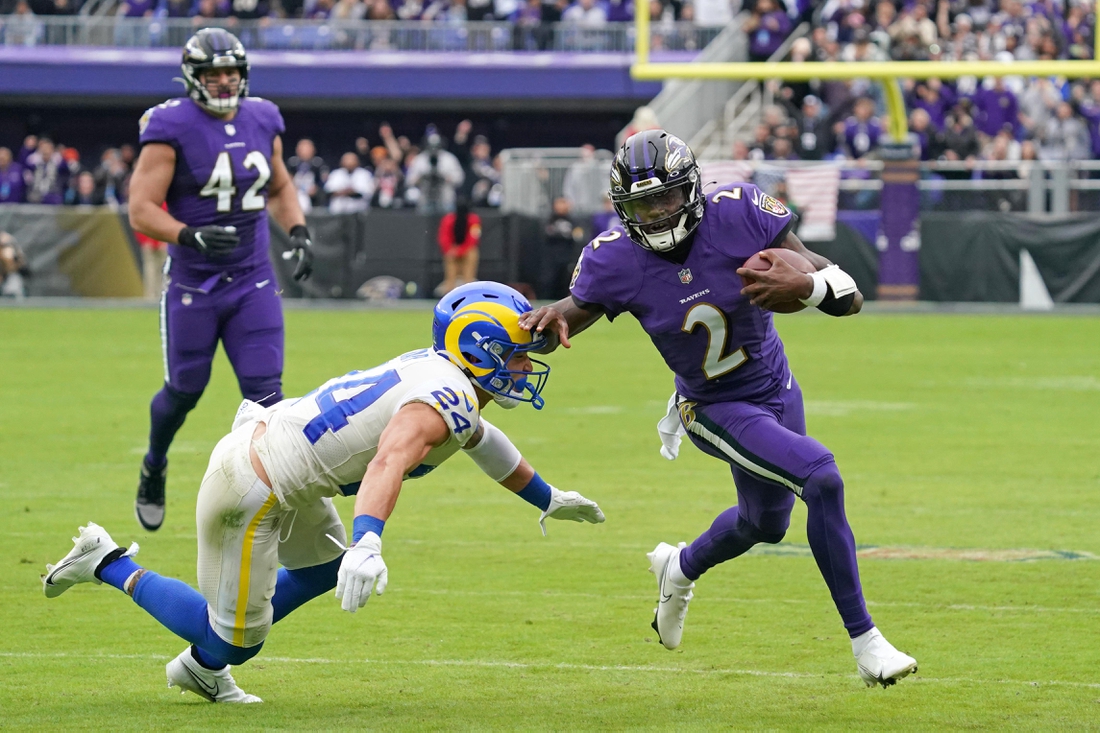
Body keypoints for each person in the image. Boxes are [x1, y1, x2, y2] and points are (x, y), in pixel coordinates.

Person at [42, 283, 605, 703]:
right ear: (480, 352)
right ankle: (106, 562)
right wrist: (368, 541)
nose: (526, 366)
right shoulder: (444, 398)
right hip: (252, 485)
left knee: (324, 569)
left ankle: (200, 671)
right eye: (516, 355)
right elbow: (390, 460)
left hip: (285, 464)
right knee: (237, 641)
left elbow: (482, 440)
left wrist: (548, 497)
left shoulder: (447, 379)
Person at [518, 130, 917, 688]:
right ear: (623, 209)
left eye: (666, 198)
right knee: (821, 477)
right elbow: (569, 314)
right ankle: (866, 643)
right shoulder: (614, 260)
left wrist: (810, 288)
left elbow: (845, 295)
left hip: (778, 388)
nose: (656, 214)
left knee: (765, 523)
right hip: (712, 406)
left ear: (692, 189)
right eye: (642, 204)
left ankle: (679, 568)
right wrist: (535, 327)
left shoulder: (741, 213)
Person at [127, 29, 315, 532]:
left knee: (268, 397)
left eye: (232, 72)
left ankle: (275, 497)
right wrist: (188, 235)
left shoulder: (262, 116)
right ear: (194, 77)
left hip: (253, 278)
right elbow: (141, 210)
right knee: (186, 389)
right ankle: (154, 464)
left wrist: (297, 230)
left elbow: (278, 184)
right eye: (214, 73)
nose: (225, 81)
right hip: (195, 285)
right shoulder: (170, 126)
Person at [435, 199, 482, 296]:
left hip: (467, 250)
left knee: (471, 259)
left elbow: (473, 238)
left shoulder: (474, 220)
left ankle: (469, 294)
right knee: (450, 276)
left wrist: (460, 250)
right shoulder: (448, 219)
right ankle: (449, 294)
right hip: (452, 249)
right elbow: (444, 237)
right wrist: (450, 249)